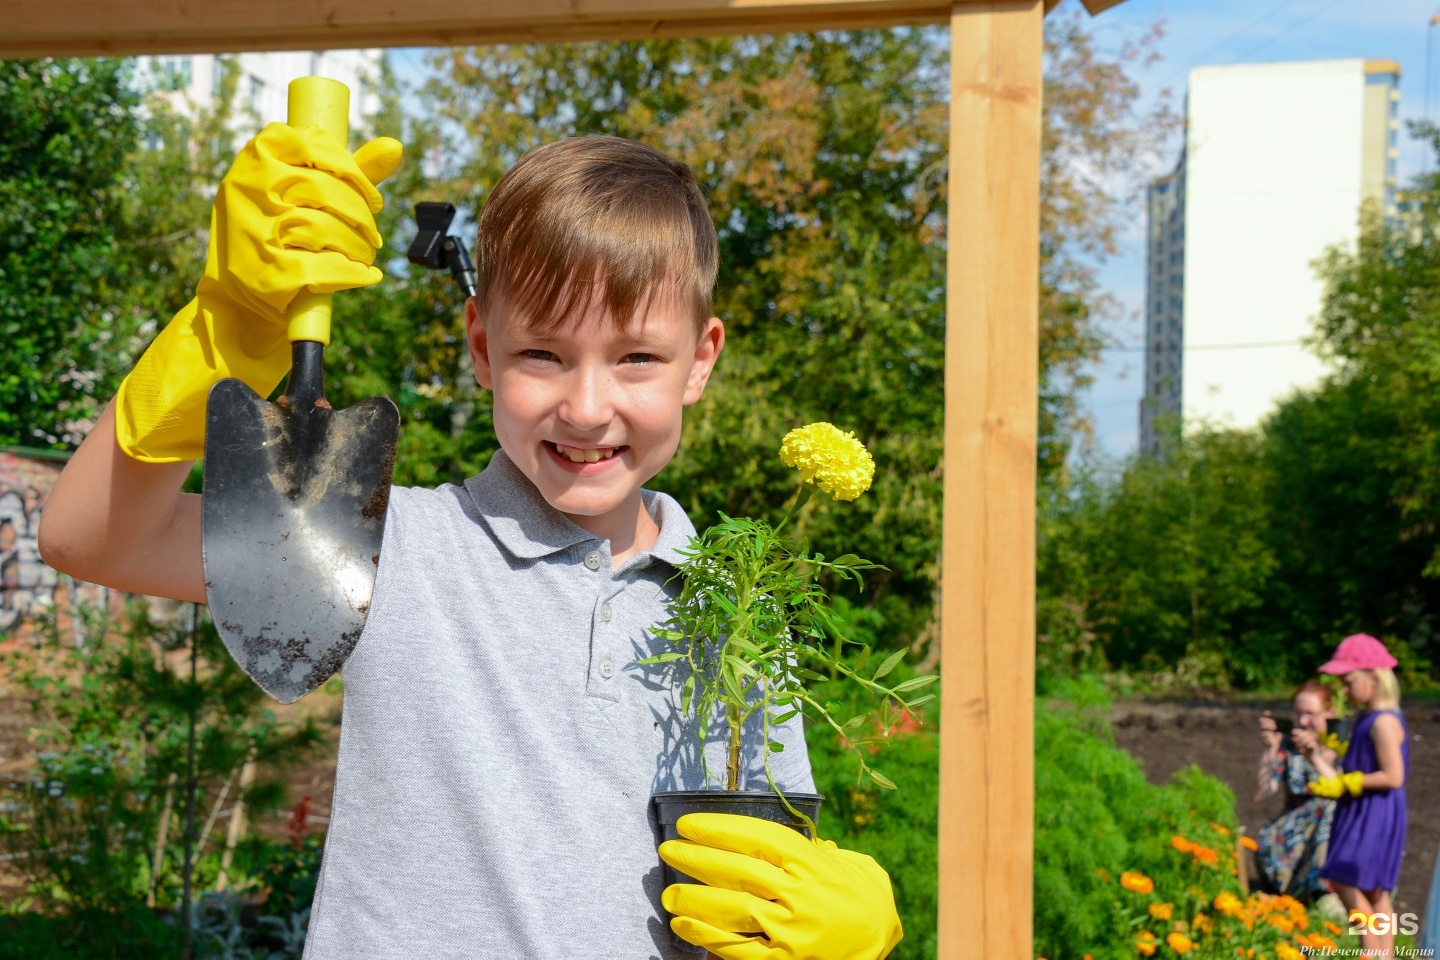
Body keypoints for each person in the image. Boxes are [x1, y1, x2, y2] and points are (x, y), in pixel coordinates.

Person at [37, 124, 903, 959]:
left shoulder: (742, 611)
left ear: (701, 359)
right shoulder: (388, 545)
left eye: (637, 357)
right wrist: (223, 328)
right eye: (543, 354)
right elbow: (93, 538)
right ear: (482, 348)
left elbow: (762, 890)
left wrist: (829, 938)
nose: (589, 406)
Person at [1307, 633, 1409, 960]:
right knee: (1374, 889)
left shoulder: (1382, 722)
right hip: (1362, 808)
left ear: (1374, 677)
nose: (1345, 690)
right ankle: (1384, 956)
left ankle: (1372, 950)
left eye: (1348, 682)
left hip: (1374, 811)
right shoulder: (1366, 718)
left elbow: (1394, 775)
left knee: (1343, 876)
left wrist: (1346, 783)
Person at [1252, 679, 1339, 901]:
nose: (1302, 721)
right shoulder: (1289, 748)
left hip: (1332, 833)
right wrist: (1270, 749)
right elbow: (1263, 792)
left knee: (1330, 811)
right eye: (1298, 713)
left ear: (1330, 713)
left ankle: (1324, 894)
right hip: (1291, 835)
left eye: (1310, 714)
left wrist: (1315, 757)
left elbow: (1341, 790)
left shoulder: (1344, 748)